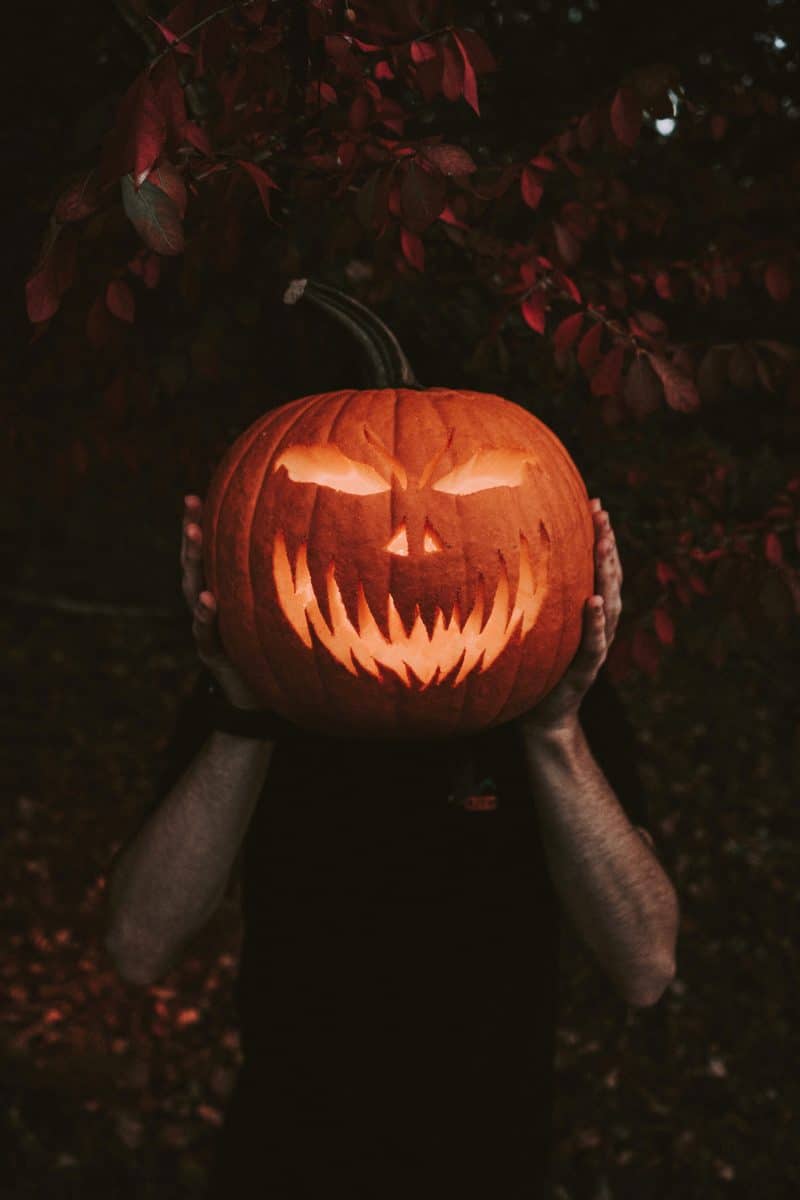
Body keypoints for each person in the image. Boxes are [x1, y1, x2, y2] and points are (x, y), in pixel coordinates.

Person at [105, 493, 679, 1200]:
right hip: (285, 1158)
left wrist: (554, 732)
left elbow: (645, 963)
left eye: (472, 501)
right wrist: (244, 717)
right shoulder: (271, 678)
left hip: (487, 1165)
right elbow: (137, 944)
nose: (409, 548)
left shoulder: (548, 688)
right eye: (351, 504)